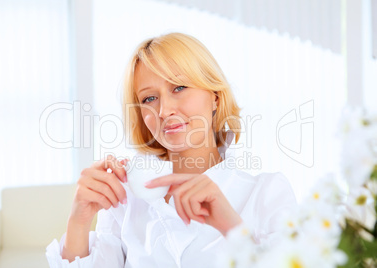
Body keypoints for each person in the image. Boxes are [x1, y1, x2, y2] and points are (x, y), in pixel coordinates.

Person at [46, 32, 297, 267]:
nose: (164, 111)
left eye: (179, 87)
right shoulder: (124, 202)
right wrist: (78, 222)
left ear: (215, 97)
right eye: (149, 99)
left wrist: (231, 227)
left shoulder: (266, 193)